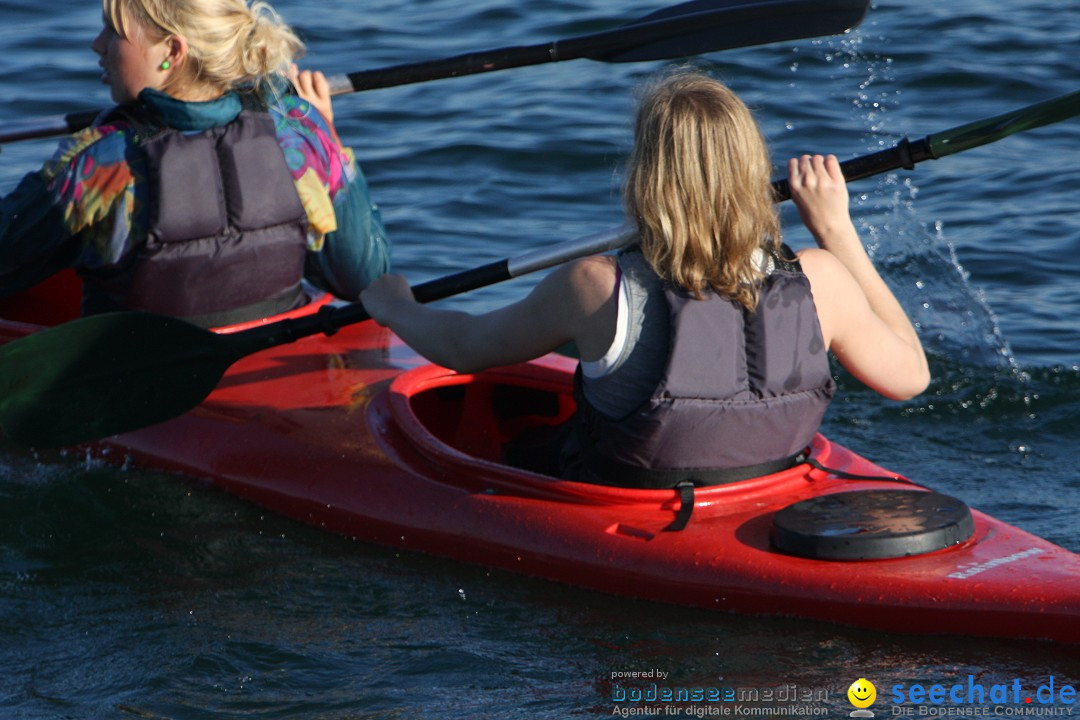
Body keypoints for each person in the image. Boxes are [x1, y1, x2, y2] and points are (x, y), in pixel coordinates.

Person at [360, 70, 930, 486]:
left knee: (514, 436)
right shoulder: (821, 277)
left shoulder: (595, 285)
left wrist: (396, 308)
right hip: (770, 487)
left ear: (646, 176)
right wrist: (837, 232)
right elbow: (911, 377)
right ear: (753, 168)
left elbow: (462, 349)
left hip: (628, 504)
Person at [0, 0, 389, 327]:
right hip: (268, 365)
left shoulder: (101, 162)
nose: (97, 45)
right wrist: (328, 137)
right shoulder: (298, 131)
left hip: (145, 385)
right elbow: (367, 280)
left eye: (113, 31)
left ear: (172, 51)